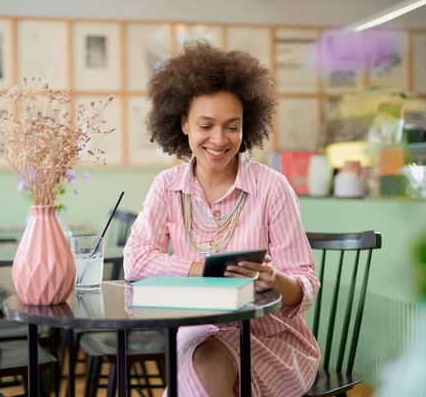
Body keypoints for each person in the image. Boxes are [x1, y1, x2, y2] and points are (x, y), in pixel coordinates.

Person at [123, 40, 320, 397]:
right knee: (204, 363)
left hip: (269, 339)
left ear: (248, 126)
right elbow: (135, 261)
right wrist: (209, 270)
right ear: (183, 124)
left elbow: (304, 285)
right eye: (206, 125)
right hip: (197, 331)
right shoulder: (167, 187)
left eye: (232, 126)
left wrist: (274, 279)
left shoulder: (273, 188)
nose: (219, 139)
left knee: (203, 372)